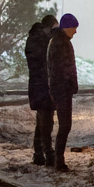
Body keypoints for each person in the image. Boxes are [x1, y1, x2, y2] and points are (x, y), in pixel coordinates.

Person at [45, 13, 80, 172]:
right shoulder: (60, 43)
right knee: (65, 125)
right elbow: (63, 69)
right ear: (67, 27)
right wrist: (69, 84)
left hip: (62, 89)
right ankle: (59, 161)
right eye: (74, 28)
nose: (75, 31)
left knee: (65, 125)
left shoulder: (60, 41)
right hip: (62, 89)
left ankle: (58, 159)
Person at [25, 14, 57, 165]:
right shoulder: (42, 40)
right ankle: (48, 153)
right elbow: (45, 63)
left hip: (39, 85)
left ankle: (38, 153)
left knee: (42, 119)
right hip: (43, 86)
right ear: (49, 27)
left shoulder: (35, 39)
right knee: (46, 121)